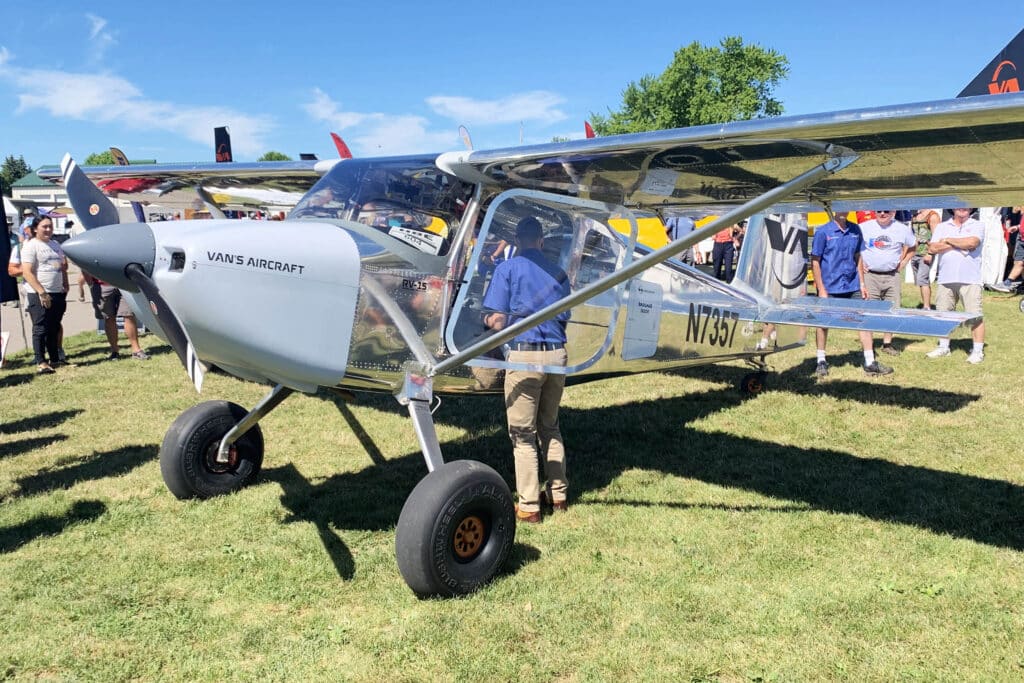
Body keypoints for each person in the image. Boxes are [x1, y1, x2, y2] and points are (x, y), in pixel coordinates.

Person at [482, 216, 571, 524]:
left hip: (525, 357)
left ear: (517, 241)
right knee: (550, 427)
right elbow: (564, 316)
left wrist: (484, 323)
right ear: (541, 242)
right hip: (557, 355)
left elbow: (499, 321)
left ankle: (529, 505)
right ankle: (558, 494)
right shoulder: (558, 272)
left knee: (522, 435)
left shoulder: (507, 269)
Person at [926, 207, 986, 363]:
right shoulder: (942, 226)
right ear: (952, 208)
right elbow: (932, 248)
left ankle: (978, 351)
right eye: (959, 206)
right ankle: (943, 347)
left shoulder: (977, 225)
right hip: (946, 277)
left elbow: (973, 242)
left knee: (975, 316)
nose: (962, 209)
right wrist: (961, 243)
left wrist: (947, 240)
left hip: (970, 278)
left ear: (971, 208)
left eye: (966, 206)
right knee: (943, 314)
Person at [857, 209, 915, 368]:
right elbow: (856, 249)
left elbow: (912, 246)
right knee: (867, 312)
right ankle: (868, 347)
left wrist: (903, 263)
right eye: (879, 211)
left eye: (886, 211)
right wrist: (861, 265)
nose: (882, 214)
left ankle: (887, 344)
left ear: (894, 212)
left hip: (892, 276)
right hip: (870, 276)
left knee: (892, 310)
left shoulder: (902, 228)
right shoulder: (863, 227)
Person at [809, 212, 863, 377]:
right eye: (839, 207)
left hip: (852, 284)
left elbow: (858, 257)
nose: (843, 211)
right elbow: (815, 261)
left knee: (863, 320)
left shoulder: (855, 229)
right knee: (823, 323)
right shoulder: (823, 232)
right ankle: (821, 360)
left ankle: (870, 359)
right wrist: (821, 288)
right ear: (833, 211)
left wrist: (862, 283)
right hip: (830, 285)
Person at [18, 216, 68, 373]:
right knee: (40, 328)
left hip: (57, 292)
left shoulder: (55, 245)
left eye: (50, 226)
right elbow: (26, 271)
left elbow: (62, 266)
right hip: (39, 293)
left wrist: (65, 283)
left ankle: (55, 359)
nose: (48, 230)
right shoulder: (31, 246)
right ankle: (41, 361)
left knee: (54, 327)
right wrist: (41, 292)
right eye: (44, 227)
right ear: (35, 229)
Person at [85, 272, 150, 361]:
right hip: (102, 286)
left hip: (123, 285)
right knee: (109, 318)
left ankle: (136, 350)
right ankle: (114, 351)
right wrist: (91, 284)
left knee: (129, 315)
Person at [910, 209, 941, 308]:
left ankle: (926, 307)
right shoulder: (915, 215)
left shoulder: (932, 216)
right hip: (915, 251)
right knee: (920, 281)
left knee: (922, 279)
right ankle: (925, 304)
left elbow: (936, 237)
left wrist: (930, 254)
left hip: (926, 252)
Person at [992, 206, 1024, 292]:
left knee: (1020, 262)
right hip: (1022, 239)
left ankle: (1007, 283)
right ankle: (1008, 283)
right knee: (1019, 262)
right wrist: (1018, 227)